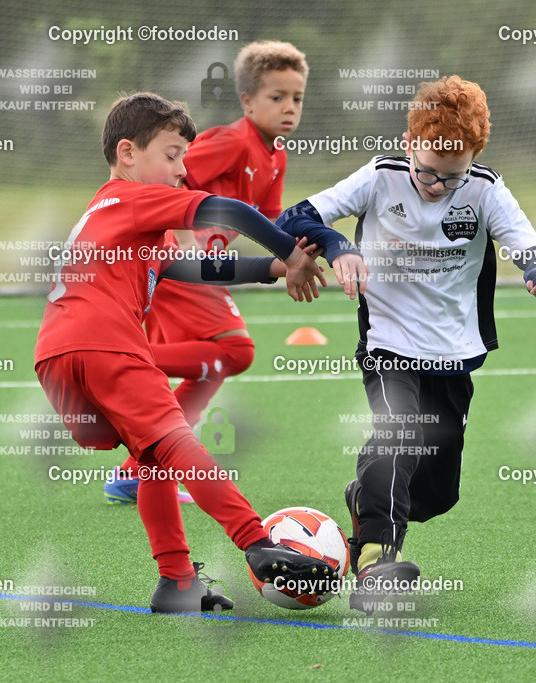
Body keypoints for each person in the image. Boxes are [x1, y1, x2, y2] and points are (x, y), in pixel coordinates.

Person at [35, 92, 333, 613]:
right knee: (175, 441)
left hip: (57, 357)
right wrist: (290, 252)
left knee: (153, 457)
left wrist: (272, 269)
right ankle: (258, 544)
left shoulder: (111, 212)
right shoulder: (133, 198)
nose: (181, 171)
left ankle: (176, 582)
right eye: (172, 156)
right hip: (106, 343)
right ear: (127, 153)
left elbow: (198, 270)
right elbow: (230, 210)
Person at [277, 75, 536, 612]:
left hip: (453, 354)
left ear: (474, 159)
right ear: (409, 144)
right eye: (427, 171)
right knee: (398, 436)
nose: (436, 186)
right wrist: (338, 245)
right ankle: (376, 565)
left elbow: (527, 243)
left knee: (435, 493)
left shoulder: (484, 189)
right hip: (388, 344)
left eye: (451, 177)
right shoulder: (380, 178)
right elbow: (294, 217)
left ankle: (366, 498)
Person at [106, 40, 364, 505]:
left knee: (209, 369)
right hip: (175, 260)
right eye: (276, 97)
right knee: (235, 350)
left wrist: (314, 249)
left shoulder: (276, 155)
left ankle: (138, 469)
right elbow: (172, 173)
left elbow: (274, 223)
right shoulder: (231, 141)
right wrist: (185, 237)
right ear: (247, 101)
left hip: (197, 269)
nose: (289, 107)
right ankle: (116, 362)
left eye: (297, 97)